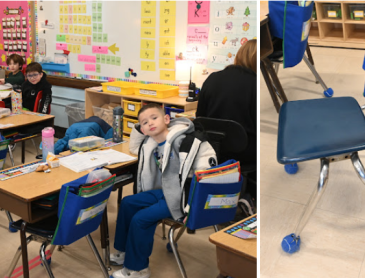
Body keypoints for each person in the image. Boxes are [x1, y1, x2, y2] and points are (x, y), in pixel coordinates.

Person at [110, 104, 217, 278]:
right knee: (128, 203)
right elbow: (134, 148)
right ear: (143, 130)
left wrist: (192, 206)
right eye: (145, 122)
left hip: (182, 199)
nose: (150, 123)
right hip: (165, 192)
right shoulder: (150, 143)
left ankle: (138, 269)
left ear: (167, 119)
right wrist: (139, 127)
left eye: (154, 118)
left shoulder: (186, 141)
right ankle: (124, 252)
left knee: (140, 219)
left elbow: (205, 173)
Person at [196, 39, 257, 167]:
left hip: (211, 149)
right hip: (245, 153)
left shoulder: (212, 78)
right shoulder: (254, 84)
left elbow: (199, 117)